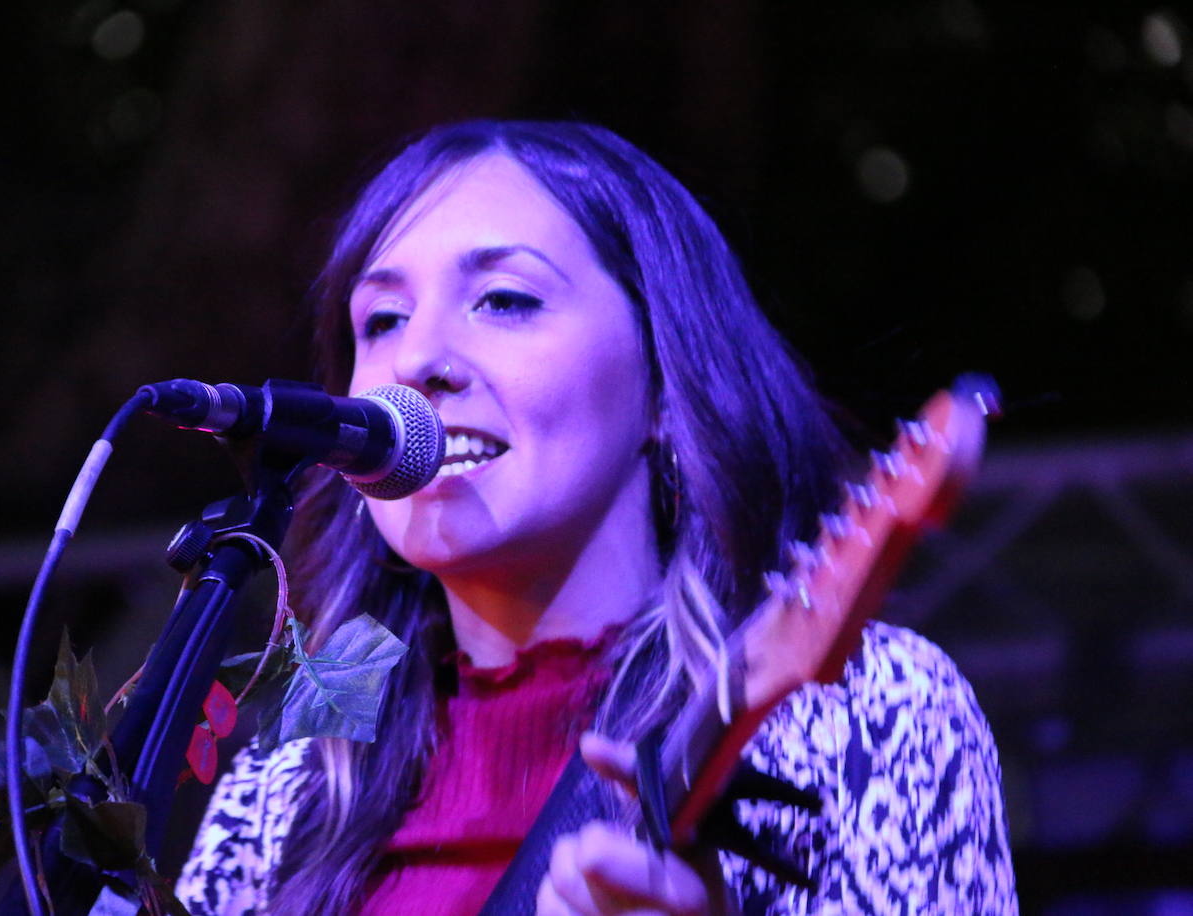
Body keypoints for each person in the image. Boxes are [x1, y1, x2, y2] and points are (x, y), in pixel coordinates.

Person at [176, 120, 1017, 915]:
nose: (418, 360)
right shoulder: (289, 780)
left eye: (504, 300)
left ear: (661, 379)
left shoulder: (866, 713)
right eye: (383, 320)